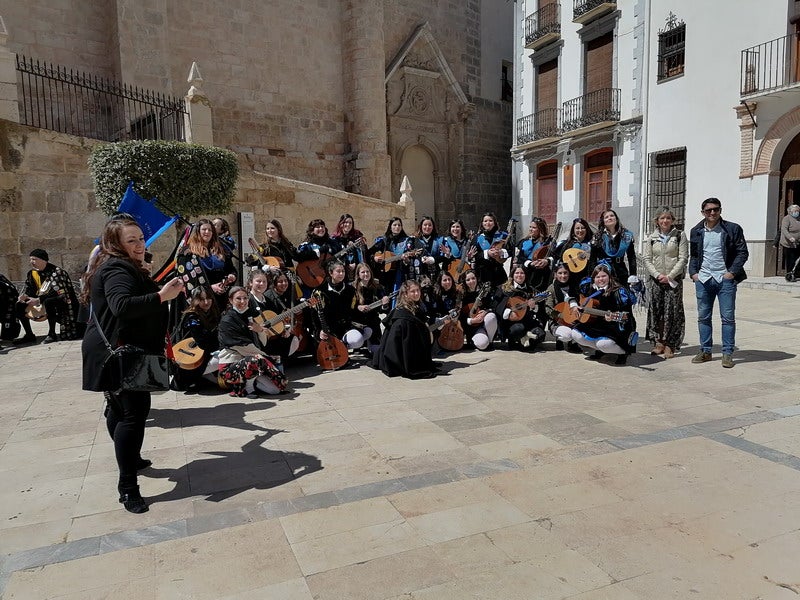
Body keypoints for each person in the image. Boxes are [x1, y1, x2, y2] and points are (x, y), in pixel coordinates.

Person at [81, 217, 185, 514]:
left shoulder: (116, 265)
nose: (140, 245)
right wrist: (162, 296)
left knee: (119, 409)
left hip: (116, 350)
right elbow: (122, 306)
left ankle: (131, 458)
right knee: (133, 414)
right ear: (116, 244)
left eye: (141, 238)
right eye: (132, 240)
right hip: (120, 353)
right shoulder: (116, 268)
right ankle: (128, 487)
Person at [688, 198, 748, 368]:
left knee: (727, 318)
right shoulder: (696, 231)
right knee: (703, 317)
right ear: (703, 213)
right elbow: (694, 255)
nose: (713, 213)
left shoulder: (732, 229)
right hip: (704, 279)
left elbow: (742, 252)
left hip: (724, 279)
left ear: (720, 210)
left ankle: (727, 353)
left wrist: (731, 273)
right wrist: (693, 273)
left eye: (716, 209)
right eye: (709, 210)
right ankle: (705, 351)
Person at [217, 286, 289, 397]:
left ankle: (253, 382)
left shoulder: (250, 315)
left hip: (252, 363)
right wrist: (266, 358)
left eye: (245, 298)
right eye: (238, 299)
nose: (243, 302)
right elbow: (243, 347)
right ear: (231, 300)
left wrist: (260, 330)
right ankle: (248, 389)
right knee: (256, 359)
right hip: (232, 367)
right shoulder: (227, 321)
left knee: (276, 389)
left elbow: (263, 343)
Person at [642, 207, 688, 359]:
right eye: (662, 218)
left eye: (668, 218)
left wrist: (670, 276)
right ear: (657, 221)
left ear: (672, 220)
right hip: (656, 280)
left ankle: (670, 344)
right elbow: (647, 259)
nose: (665, 221)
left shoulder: (679, 236)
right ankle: (659, 342)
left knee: (672, 312)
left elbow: (683, 258)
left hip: (673, 280)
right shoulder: (652, 238)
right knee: (657, 311)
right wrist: (657, 275)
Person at [570, 263, 637, 365]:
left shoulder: (619, 292)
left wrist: (613, 318)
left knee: (604, 344)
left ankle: (623, 352)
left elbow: (627, 315)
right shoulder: (589, 288)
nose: (600, 279)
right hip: (597, 324)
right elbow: (573, 294)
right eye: (597, 277)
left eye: (604, 276)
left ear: (610, 277)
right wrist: (574, 305)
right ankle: (601, 350)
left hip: (616, 328)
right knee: (576, 334)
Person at [371, 279, 437, 379]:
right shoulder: (402, 316)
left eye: (418, 290)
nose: (416, 293)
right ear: (405, 294)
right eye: (413, 291)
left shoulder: (416, 307)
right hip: (397, 356)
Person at [15, 248, 81, 344]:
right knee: (19, 305)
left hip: (60, 301)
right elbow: (31, 289)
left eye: (34, 259)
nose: (31, 262)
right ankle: (29, 334)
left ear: (44, 260)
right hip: (40, 301)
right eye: (31, 259)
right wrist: (25, 296)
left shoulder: (56, 272)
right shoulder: (32, 273)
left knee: (49, 301)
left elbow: (59, 292)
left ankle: (52, 334)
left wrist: (38, 300)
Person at [312, 260, 371, 352]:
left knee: (364, 334)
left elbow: (353, 311)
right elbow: (314, 314)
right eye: (338, 271)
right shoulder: (320, 291)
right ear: (331, 273)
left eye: (343, 271)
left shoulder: (350, 290)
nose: (341, 274)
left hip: (345, 326)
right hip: (328, 329)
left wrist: (360, 310)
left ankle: (342, 348)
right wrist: (319, 330)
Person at [172, 286, 220, 391]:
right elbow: (202, 341)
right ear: (195, 300)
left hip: (206, 355)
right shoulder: (191, 317)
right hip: (192, 361)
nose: (206, 302)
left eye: (208, 298)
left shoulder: (213, 313)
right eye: (202, 299)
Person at [182, 219, 236, 309]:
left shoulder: (221, 249)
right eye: (204, 229)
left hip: (220, 298)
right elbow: (187, 279)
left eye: (210, 230)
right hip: (200, 299)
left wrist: (232, 276)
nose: (207, 232)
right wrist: (210, 288)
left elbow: (231, 269)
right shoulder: (188, 252)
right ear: (198, 231)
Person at [495, 265, 546, 351]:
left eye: (522, 273)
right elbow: (495, 306)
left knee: (540, 334)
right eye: (517, 273)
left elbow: (539, 310)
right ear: (512, 275)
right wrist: (508, 313)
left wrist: (534, 307)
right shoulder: (503, 288)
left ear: (525, 275)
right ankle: (515, 340)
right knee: (519, 329)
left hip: (527, 322)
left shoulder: (531, 290)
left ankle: (525, 339)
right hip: (510, 324)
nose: (519, 275)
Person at [369, 217, 417, 294]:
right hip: (385, 274)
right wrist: (374, 258)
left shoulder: (407, 240)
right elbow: (370, 252)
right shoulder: (384, 240)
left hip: (400, 273)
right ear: (390, 227)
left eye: (399, 225)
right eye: (394, 225)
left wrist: (406, 260)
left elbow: (409, 259)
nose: (397, 227)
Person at [592, 210, 638, 287]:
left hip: (620, 271)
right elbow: (593, 259)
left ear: (616, 219)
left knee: (623, 293)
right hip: (603, 272)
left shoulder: (626, 235)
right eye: (606, 217)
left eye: (612, 216)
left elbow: (631, 256)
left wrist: (633, 274)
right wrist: (592, 278)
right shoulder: (598, 237)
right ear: (603, 221)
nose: (609, 218)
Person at [352, 262, 389, 355]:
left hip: (373, 321)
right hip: (358, 322)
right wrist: (358, 307)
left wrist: (384, 305)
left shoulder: (378, 287)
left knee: (378, 351)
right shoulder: (352, 288)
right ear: (358, 274)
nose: (366, 274)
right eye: (363, 272)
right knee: (360, 350)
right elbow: (348, 307)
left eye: (367, 271)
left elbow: (382, 310)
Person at [545, 262, 582, 353]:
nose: (563, 276)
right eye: (560, 273)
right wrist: (562, 316)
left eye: (565, 273)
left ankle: (573, 343)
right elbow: (548, 308)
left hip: (574, 318)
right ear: (555, 274)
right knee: (566, 335)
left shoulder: (575, 286)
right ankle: (560, 339)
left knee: (581, 333)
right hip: (557, 320)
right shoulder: (551, 289)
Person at [459, 270, 497, 351]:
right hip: (468, 327)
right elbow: (459, 315)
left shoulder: (483, 292)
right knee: (482, 344)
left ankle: (490, 341)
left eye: (473, 278)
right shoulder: (462, 295)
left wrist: (486, 312)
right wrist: (471, 321)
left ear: (477, 279)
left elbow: (493, 306)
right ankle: (473, 340)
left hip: (481, 325)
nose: (471, 281)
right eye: (468, 280)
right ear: (464, 282)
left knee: (491, 316)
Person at [472, 212, 510, 288]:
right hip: (482, 272)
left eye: (490, 221)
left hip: (498, 272)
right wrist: (487, 253)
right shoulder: (477, 238)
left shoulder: (503, 236)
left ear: (494, 223)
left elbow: (510, 251)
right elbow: (475, 256)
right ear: (482, 223)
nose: (488, 223)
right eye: (485, 221)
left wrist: (502, 252)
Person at [514, 217, 552, 291]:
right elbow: (519, 257)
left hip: (542, 274)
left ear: (540, 229)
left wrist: (546, 261)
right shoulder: (523, 242)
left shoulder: (548, 242)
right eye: (530, 227)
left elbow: (553, 256)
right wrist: (530, 263)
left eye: (534, 228)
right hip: (527, 272)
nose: (531, 229)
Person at [555, 218, 595, 283]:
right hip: (570, 278)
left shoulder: (592, 244)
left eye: (583, 228)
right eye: (577, 228)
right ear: (573, 230)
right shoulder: (567, 244)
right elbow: (559, 260)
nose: (580, 230)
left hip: (586, 277)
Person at [330, 213, 366, 279]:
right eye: (345, 222)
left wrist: (356, 263)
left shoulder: (356, 237)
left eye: (350, 223)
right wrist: (346, 265)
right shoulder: (334, 239)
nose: (348, 225)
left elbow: (362, 253)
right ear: (341, 223)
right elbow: (333, 255)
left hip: (356, 269)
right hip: (340, 270)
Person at [779, 204, 800, 279]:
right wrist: (790, 237)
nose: (797, 212)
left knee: (797, 259)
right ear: (790, 211)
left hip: (797, 243)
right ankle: (789, 275)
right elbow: (784, 229)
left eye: (798, 211)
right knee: (790, 260)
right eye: (795, 211)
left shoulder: (798, 218)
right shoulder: (786, 218)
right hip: (788, 243)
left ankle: (796, 274)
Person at [1, 272, 21, 341]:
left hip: (8, 303)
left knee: (8, 334)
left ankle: (8, 333)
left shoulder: (2, 282)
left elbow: (12, 292)